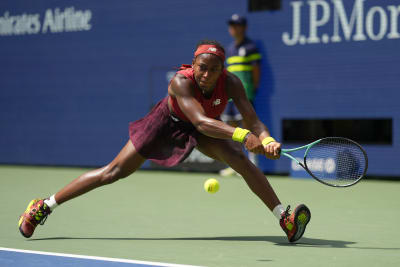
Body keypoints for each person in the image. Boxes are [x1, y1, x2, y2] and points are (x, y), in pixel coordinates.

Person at [18, 40, 311, 243]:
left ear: (223, 70)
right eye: (201, 67)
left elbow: (252, 118)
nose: (206, 75)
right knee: (113, 172)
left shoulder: (232, 83)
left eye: (213, 69)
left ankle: (283, 217)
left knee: (239, 160)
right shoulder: (180, 83)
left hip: (204, 130)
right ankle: (44, 205)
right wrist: (242, 135)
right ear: (193, 64)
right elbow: (199, 121)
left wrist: (266, 137)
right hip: (165, 124)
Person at [220, 14, 263, 176]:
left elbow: (256, 71)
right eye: (231, 25)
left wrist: (253, 89)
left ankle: (253, 164)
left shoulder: (251, 47)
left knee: (248, 126)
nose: (233, 28)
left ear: (244, 27)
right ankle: (236, 164)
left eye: (237, 25)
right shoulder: (229, 49)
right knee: (232, 128)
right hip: (229, 95)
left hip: (244, 94)